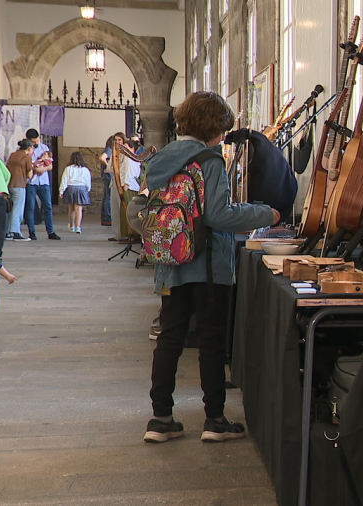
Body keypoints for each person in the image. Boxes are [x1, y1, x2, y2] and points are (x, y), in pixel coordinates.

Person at [142, 91, 279, 444]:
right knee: (211, 340)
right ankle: (214, 419)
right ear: (215, 127)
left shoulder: (161, 160)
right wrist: (264, 213)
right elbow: (219, 215)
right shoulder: (210, 160)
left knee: (170, 336)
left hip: (171, 263)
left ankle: (160, 419)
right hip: (209, 267)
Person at [24, 128, 61, 241]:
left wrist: (43, 169)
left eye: (37, 140)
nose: (36, 143)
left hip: (44, 182)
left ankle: (50, 231)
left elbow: (50, 165)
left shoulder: (44, 148)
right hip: (31, 182)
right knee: (30, 207)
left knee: (48, 207)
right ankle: (32, 232)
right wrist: (35, 170)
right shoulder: (25, 150)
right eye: (33, 142)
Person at [5, 139, 33, 241]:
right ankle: (15, 231)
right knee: (18, 209)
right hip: (20, 184)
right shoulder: (27, 157)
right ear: (29, 148)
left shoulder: (13, 155)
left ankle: (8, 232)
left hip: (9, 184)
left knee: (10, 208)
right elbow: (30, 174)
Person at [59, 151, 92, 233]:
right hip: (81, 188)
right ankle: (78, 227)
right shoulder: (85, 170)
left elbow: (64, 180)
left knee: (71, 208)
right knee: (79, 209)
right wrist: (87, 190)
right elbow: (88, 182)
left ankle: (71, 226)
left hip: (71, 187)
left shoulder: (68, 169)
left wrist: (61, 190)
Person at [99, 136, 114, 226]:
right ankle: (108, 217)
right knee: (108, 197)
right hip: (108, 175)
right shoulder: (109, 150)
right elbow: (102, 158)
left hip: (106, 176)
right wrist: (109, 166)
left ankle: (105, 217)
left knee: (106, 197)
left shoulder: (108, 149)